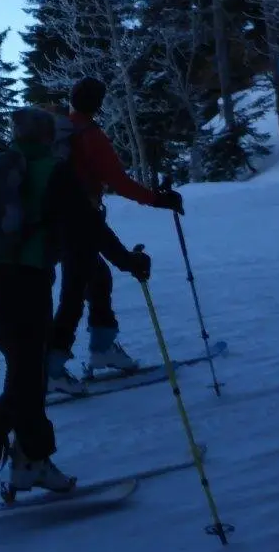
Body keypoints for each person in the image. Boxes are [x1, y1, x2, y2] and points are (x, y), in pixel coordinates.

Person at [0, 107, 152, 517]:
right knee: (27, 380)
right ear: (51, 138)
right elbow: (91, 228)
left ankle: (30, 461)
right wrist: (129, 262)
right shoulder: (53, 171)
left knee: (25, 374)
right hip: (23, 285)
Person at [46, 77, 183, 394]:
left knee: (97, 278)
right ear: (98, 103)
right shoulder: (90, 136)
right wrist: (159, 200)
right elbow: (119, 182)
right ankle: (52, 368)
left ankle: (101, 348)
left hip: (57, 221)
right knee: (74, 292)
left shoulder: (59, 131)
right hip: (80, 220)